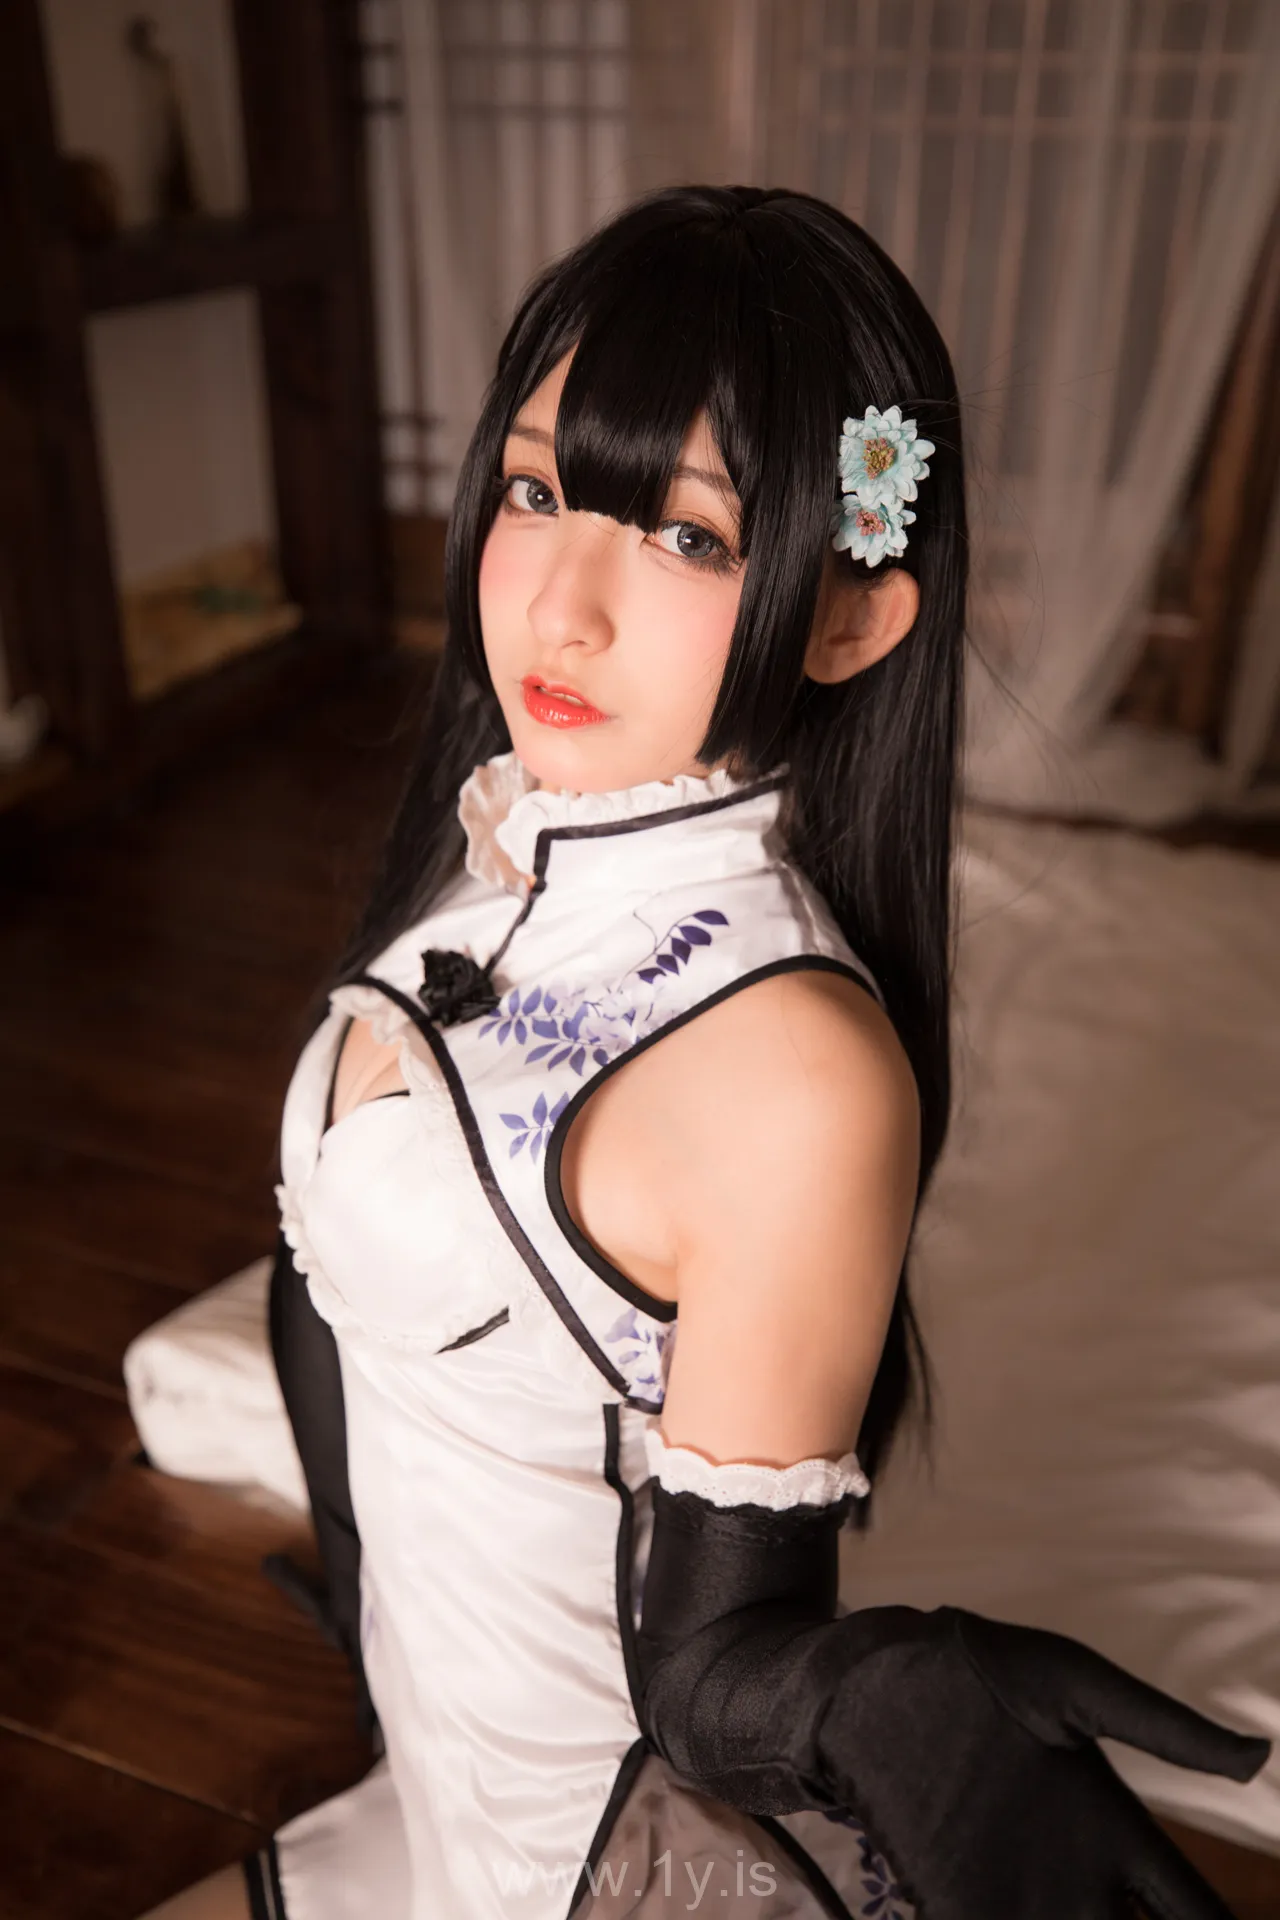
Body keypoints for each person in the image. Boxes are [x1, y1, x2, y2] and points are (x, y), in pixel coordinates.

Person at [138, 185, 1268, 1920]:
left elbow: (716, 1673)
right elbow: (322, 1288)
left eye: (686, 536)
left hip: (604, 1873)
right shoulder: (507, 839)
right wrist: (375, 1592)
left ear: (848, 618)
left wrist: (887, 1698)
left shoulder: (798, 1071)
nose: (562, 609)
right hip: (421, 1785)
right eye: (536, 494)